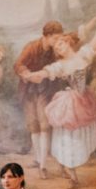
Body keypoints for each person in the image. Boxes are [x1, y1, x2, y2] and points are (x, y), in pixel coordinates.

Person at [21, 13, 96, 188]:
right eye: (57, 47)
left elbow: (94, 43)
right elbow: (46, 72)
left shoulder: (83, 55)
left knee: (82, 137)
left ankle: (69, 167)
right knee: (68, 138)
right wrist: (31, 74)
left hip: (85, 101)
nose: (59, 48)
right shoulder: (60, 66)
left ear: (68, 42)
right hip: (69, 104)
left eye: (61, 44)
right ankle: (72, 175)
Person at [14, 21, 64, 179]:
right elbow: (18, 64)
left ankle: (43, 165)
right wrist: (28, 74)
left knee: (44, 125)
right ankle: (37, 158)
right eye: (55, 38)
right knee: (33, 125)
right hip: (29, 89)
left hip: (45, 90)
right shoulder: (32, 47)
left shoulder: (54, 50)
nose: (58, 41)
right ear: (47, 36)